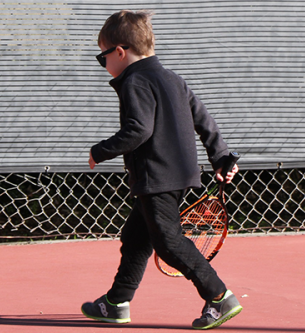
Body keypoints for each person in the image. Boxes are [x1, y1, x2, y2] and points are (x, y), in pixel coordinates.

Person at [80, 10, 242, 330]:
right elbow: (203, 120)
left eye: (103, 57)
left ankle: (219, 296)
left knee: (169, 242)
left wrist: (100, 151)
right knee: (137, 237)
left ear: (121, 51)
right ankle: (116, 302)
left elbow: (138, 130)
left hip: (156, 175)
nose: (104, 66)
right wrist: (220, 156)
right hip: (179, 173)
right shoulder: (173, 78)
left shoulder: (135, 80)